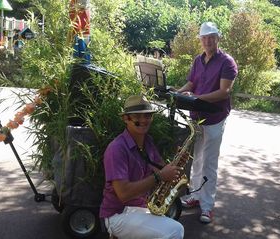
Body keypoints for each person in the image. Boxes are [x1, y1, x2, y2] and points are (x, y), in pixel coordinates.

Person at [176, 22, 238, 223]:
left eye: (211, 37)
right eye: (204, 37)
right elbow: (191, 83)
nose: (208, 40)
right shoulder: (198, 60)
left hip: (214, 118)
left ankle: (207, 206)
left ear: (218, 38)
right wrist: (176, 93)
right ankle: (194, 196)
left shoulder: (227, 62)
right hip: (196, 117)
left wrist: (197, 98)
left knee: (209, 162)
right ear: (201, 40)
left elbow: (224, 92)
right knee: (196, 159)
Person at [99, 95, 184, 239]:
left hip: (140, 208)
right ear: (126, 119)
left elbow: (161, 168)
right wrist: (160, 176)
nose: (144, 120)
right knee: (175, 230)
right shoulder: (116, 149)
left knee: (169, 228)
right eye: (137, 116)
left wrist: (176, 164)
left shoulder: (148, 142)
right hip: (118, 214)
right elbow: (124, 193)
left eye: (148, 116)